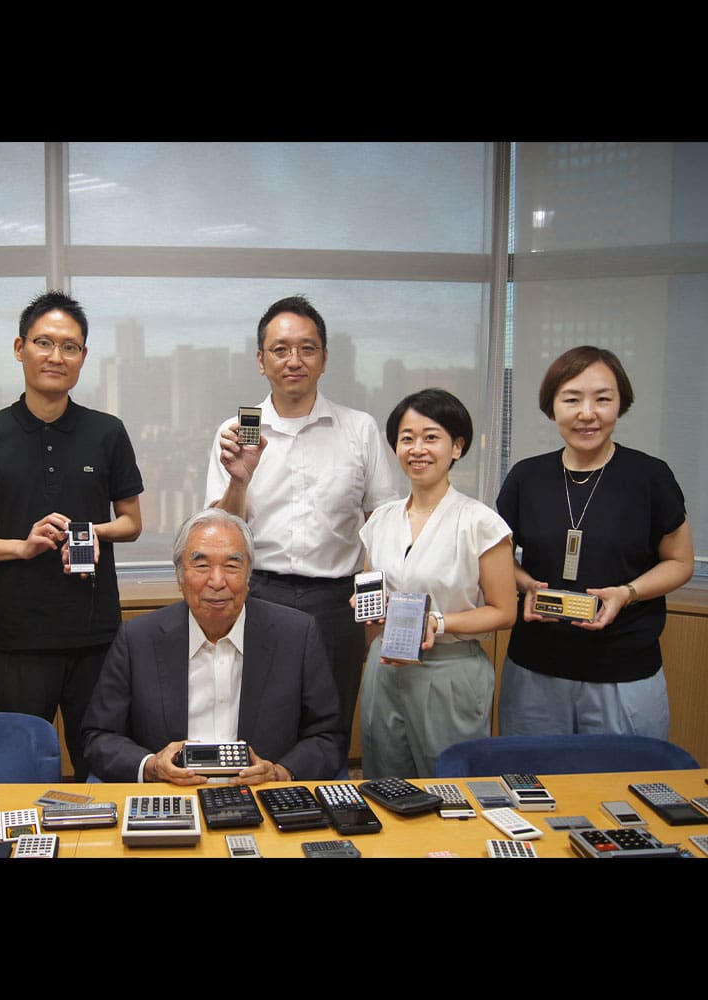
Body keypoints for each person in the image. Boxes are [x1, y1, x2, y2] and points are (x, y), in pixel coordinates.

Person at [0, 290, 143, 781]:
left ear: (83, 357)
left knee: (102, 766)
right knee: (21, 769)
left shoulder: (107, 432)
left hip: (96, 636)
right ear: (20, 348)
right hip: (18, 637)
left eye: (69, 347)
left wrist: (89, 531)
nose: (56, 356)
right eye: (44, 343)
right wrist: (22, 546)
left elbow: (131, 523)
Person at [204, 295, 399, 737]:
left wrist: (375, 601)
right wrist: (239, 480)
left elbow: (382, 523)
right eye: (280, 349)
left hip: (337, 602)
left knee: (330, 724)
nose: (294, 360)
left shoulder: (359, 428)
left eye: (307, 349)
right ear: (261, 360)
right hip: (259, 594)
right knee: (259, 723)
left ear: (324, 358)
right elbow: (222, 534)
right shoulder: (236, 432)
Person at [496, 346, 694, 738]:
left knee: (626, 775)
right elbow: (498, 557)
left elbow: (680, 561)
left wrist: (627, 593)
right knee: (532, 773)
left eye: (602, 399)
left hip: (625, 671)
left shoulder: (651, 477)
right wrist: (527, 584)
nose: (587, 413)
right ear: (552, 407)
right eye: (572, 400)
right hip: (535, 669)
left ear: (620, 405)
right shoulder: (526, 477)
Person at [82, 508, 346, 784]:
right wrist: (152, 766)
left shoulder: (296, 636)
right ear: (180, 576)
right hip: (173, 793)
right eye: (201, 566)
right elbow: (99, 736)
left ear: (248, 576)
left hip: (260, 794)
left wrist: (279, 773)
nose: (217, 581)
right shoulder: (138, 639)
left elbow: (328, 737)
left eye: (232, 566)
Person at [357, 389, 517, 778]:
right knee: (384, 783)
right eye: (406, 438)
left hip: (449, 671)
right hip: (385, 667)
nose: (417, 449)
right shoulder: (380, 520)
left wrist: (439, 622)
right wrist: (366, 606)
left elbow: (504, 611)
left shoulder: (480, 523)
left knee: (449, 786)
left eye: (431, 437)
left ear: (457, 447)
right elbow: (369, 588)